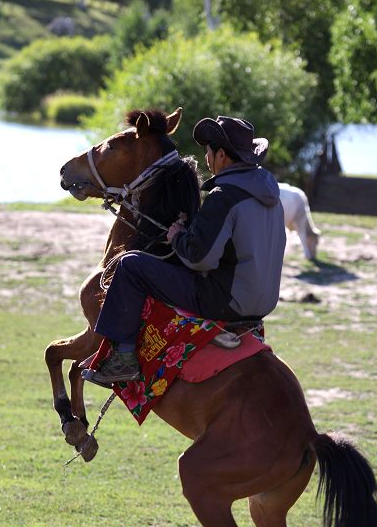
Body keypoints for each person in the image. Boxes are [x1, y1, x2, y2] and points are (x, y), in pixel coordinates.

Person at [82, 115, 286, 387]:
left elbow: (199, 259)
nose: (207, 159)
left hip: (222, 300)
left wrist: (178, 237)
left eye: (209, 152)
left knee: (130, 265)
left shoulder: (224, 195)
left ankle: (123, 358)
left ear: (222, 155)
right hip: (260, 306)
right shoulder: (271, 196)